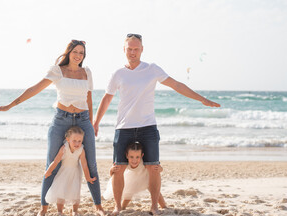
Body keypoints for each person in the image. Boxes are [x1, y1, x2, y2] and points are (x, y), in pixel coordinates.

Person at [93, 33, 220, 215]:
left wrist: (202, 99)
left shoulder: (152, 69)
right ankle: (118, 207)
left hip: (148, 127)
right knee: (119, 167)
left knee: (153, 167)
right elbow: (106, 99)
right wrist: (96, 122)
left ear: (142, 49)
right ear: (124, 50)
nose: (133, 52)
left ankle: (154, 206)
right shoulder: (118, 74)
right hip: (123, 127)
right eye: (129, 49)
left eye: (136, 49)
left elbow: (176, 85)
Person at [0, 40, 105, 216]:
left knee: (91, 165)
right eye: (75, 51)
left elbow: (89, 99)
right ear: (68, 53)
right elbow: (34, 89)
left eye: (82, 53)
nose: (78, 55)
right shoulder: (57, 71)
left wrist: (91, 122)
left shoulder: (86, 72)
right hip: (61, 120)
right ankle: (43, 208)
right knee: (51, 163)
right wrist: (10, 105)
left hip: (83, 120)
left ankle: (98, 206)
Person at [45, 126, 96, 216]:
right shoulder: (64, 148)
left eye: (79, 141)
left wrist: (88, 177)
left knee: (75, 190)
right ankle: (60, 211)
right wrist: (48, 171)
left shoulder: (81, 150)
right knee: (61, 189)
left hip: (76, 172)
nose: (77, 143)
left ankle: (75, 210)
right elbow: (56, 161)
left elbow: (84, 165)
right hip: (64, 171)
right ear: (68, 139)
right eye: (74, 141)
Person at [103, 141, 167, 210]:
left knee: (155, 191)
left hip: (146, 177)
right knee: (129, 192)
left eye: (137, 157)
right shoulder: (124, 162)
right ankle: (123, 207)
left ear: (142, 156)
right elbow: (112, 175)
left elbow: (159, 169)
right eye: (131, 157)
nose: (134, 160)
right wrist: (112, 169)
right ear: (127, 155)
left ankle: (164, 206)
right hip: (133, 177)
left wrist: (161, 169)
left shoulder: (144, 161)